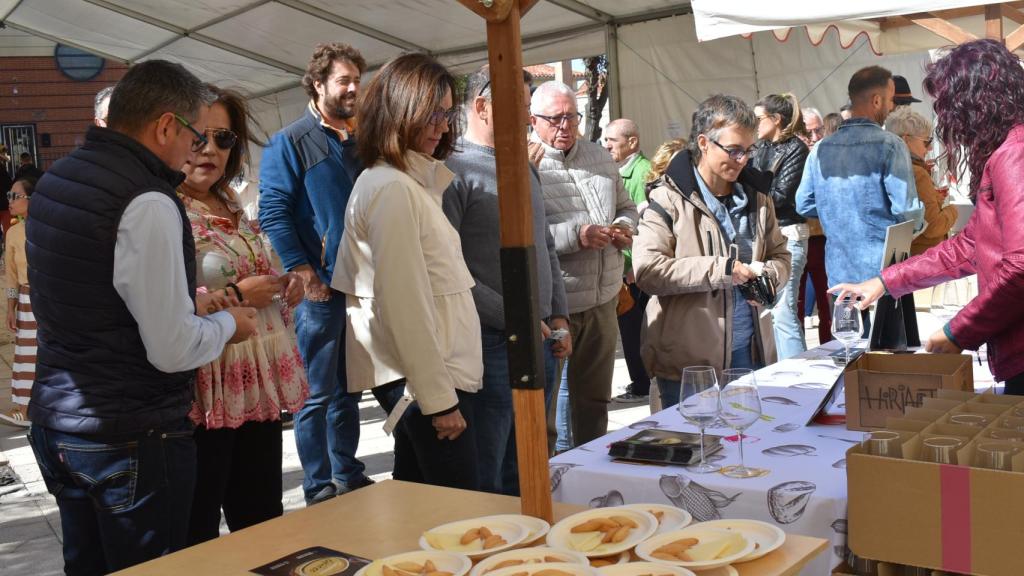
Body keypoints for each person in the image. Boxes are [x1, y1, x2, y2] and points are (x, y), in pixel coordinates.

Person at [25, 59, 258, 575]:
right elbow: (171, 348)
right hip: (127, 432)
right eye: (196, 135)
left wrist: (188, 305)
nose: (197, 149)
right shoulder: (147, 200)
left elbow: (91, 294)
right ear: (166, 126)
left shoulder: (60, 175)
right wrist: (227, 326)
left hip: (61, 421)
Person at [832, 39, 1024, 393]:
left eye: (949, 106)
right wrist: (885, 282)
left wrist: (959, 330)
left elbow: (1020, 266)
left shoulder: (1015, 152)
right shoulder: (1009, 148)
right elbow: (967, 246)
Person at [332, 53, 482, 489]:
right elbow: (405, 304)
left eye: (447, 113)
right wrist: (439, 401)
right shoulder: (392, 188)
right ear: (399, 112)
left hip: (431, 378)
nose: (443, 126)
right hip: (427, 383)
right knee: (456, 516)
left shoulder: (406, 183)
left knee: (425, 509)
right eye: (432, 114)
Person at [179, 86, 308, 544]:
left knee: (262, 521)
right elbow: (161, 304)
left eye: (224, 139)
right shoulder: (164, 208)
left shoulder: (230, 202)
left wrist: (280, 282)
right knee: (197, 530)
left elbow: (249, 271)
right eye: (199, 136)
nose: (210, 149)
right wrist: (237, 293)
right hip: (205, 387)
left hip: (256, 380)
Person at [443, 65, 570, 495]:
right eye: (518, 103)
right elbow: (448, 269)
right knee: (491, 471)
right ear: (481, 105)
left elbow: (545, 244)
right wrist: (513, 317)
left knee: (532, 461)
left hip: (540, 338)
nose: (527, 114)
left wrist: (560, 316)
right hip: (491, 345)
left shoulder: (523, 165)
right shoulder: (452, 169)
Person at [259, 43, 375, 505]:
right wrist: (304, 271)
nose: (352, 89)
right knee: (317, 393)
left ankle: (347, 472)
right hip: (320, 289)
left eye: (356, 82)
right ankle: (318, 485)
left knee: (349, 390)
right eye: (343, 80)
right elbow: (273, 212)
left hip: (362, 285)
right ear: (318, 83)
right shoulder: (287, 141)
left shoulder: (363, 138)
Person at [633, 94, 790, 409]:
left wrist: (771, 277)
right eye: (733, 150)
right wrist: (723, 270)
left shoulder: (759, 197)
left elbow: (780, 255)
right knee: (695, 448)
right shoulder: (667, 200)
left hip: (750, 351)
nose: (742, 159)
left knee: (745, 447)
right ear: (704, 143)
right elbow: (648, 272)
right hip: (689, 364)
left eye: (749, 150)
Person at [528, 81, 638, 450]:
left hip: (603, 297)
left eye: (572, 117)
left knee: (594, 400)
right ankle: (550, 477)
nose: (565, 126)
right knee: (546, 410)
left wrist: (624, 228)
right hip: (556, 302)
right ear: (534, 120)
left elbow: (626, 206)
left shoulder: (599, 156)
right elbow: (522, 233)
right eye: (555, 119)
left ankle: (593, 468)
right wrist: (577, 235)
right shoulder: (524, 163)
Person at [796, 66, 923, 335]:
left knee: (848, 350)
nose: (891, 107)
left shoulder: (820, 149)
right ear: (877, 100)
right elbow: (907, 211)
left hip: (839, 269)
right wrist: (918, 225)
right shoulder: (889, 144)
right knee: (886, 356)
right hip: (883, 272)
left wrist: (837, 210)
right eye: (890, 100)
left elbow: (803, 203)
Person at [751, 93, 809, 360]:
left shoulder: (797, 148)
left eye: (758, 118)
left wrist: (751, 192)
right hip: (763, 234)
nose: (754, 123)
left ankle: (800, 377)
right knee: (768, 311)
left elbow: (782, 195)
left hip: (787, 234)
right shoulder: (760, 147)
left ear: (776, 120)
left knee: (783, 311)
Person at [603, 118, 652, 403]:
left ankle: (642, 384)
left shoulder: (642, 173)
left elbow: (647, 225)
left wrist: (635, 264)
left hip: (634, 268)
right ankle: (641, 381)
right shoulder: (621, 170)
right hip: (625, 265)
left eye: (612, 140)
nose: (606, 145)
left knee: (635, 328)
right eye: (605, 140)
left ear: (632, 142)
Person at [884, 107, 957, 256]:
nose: (929, 148)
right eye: (926, 141)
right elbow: (934, 227)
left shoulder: (887, 167)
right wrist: (953, 210)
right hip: (923, 259)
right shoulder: (916, 173)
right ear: (906, 139)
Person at [5, 176, 35, 424]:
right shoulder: (13, 232)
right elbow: (12, 277)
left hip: (52, 299)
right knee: (25, 355)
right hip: (26, 301)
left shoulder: (51, 227)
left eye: (16, 196)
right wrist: (10, 307)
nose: (10, 201)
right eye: (10, 195)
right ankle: (23, 409)